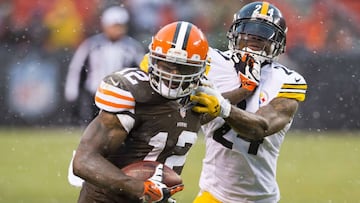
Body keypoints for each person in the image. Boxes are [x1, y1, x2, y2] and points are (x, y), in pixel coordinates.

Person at [70, 21, 209, 203]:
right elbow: (83, 161)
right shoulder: (134, 94)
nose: (174, 74)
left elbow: (250, 125)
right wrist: (140, 188)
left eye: (184, 67)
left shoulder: (203, 100)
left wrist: (226, 106)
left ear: (201, 68)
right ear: (152, 59)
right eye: (167, 65)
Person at [190, 1, 308, 203]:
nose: (254, 36)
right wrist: (242, 91)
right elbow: (191, 117)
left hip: (261, 198)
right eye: (248, 30)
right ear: (235, 32)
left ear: (277, 42)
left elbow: (261, 127)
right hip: (213, 194)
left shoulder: (286, 80)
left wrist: (223, 108)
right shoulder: (213, 62)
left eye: (263, 33)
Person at [64, 6, 145, 125]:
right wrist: (72, 93)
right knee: (93, 126)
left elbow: (142, 71)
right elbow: (77, 69)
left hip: (121, 95)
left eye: (120, 26)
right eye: (114, 26)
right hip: (95, 93)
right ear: (105, 25)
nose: (118, 30)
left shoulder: (132, 47)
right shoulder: (91, 45)